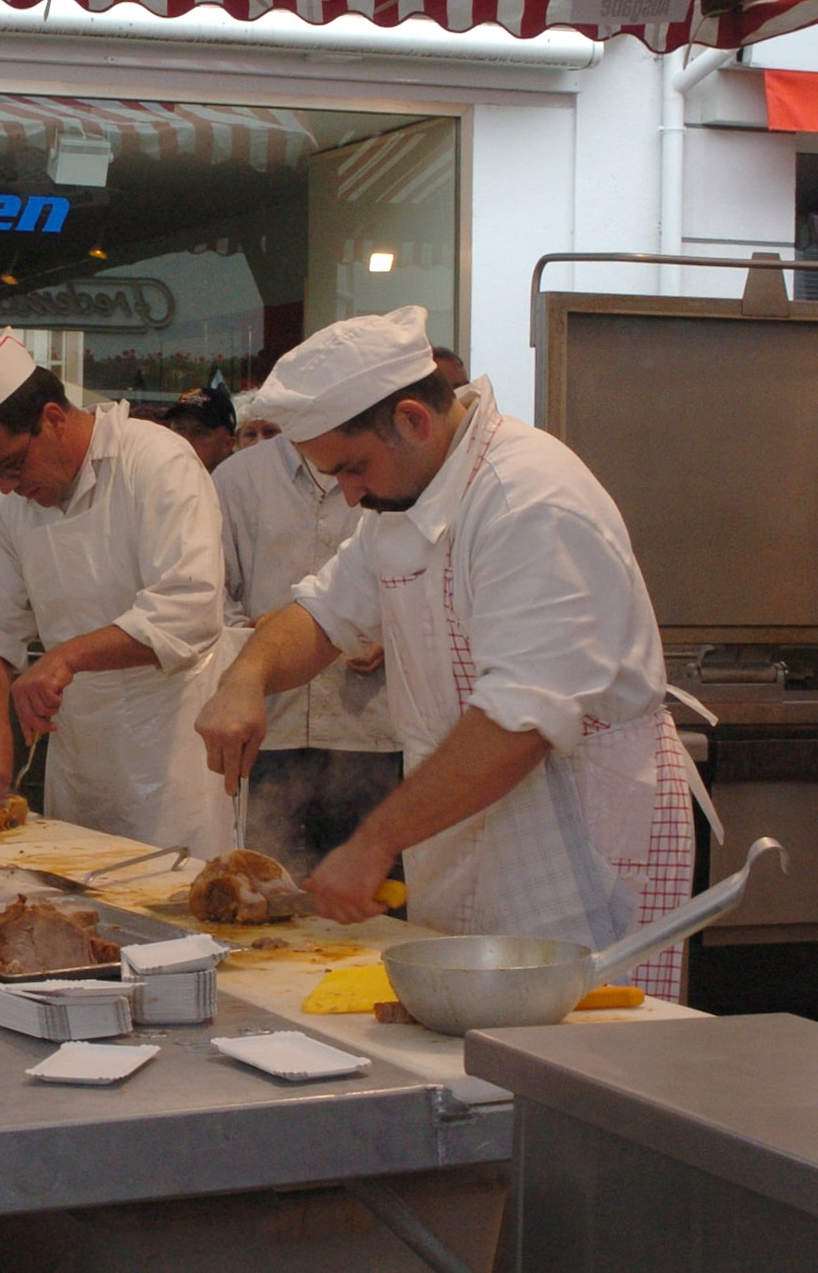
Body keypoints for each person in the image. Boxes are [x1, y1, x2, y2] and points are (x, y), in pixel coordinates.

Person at [194, 305, 696, 999]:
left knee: (577, 1055)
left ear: (413, 419)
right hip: (463, 815)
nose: (349, 493)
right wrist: (245, 675)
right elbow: (322, 610)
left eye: (352, 468)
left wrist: (373, 841)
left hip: (574, 826)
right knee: (470, 1052)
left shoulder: (527, 500)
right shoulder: (408, 495)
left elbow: (520, 721)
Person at [0, 331, 229, 851]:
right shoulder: (12, 507)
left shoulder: (157, 462)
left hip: (171, 758)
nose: (6, 488)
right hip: (78, 758)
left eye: (11, 467)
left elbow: (189, 610)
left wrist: (65, 657)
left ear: (52, 419)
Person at [214, 428, 403, 876]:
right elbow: (210, 591)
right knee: (264, 875)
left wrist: (386, 632)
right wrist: (256, 636)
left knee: (368, 888)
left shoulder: (386, 473)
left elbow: (408, 588)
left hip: (367, 727)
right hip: (270, 724)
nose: (352, 488)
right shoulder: (239, 477)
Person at [158, 384, 239, 473]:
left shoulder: (242, 484)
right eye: (179, 429)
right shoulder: (151, 480)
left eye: (199, 432)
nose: (185, 439)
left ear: (227, 444)